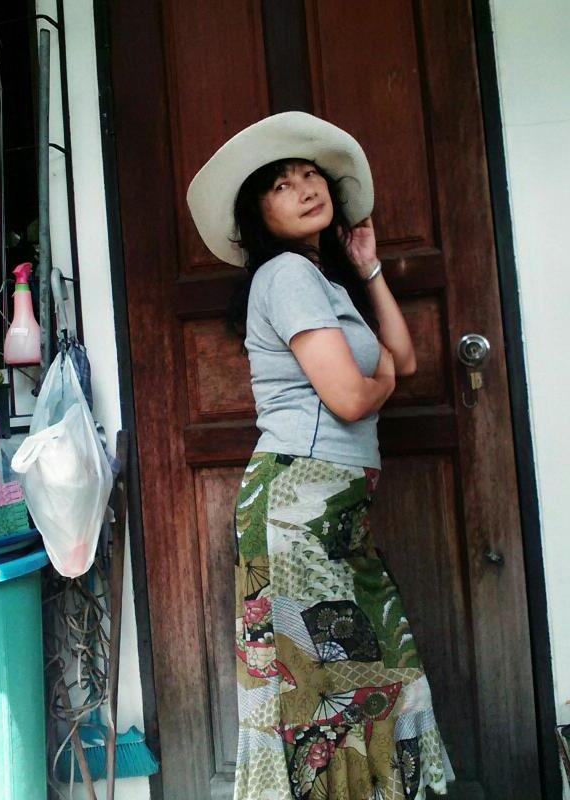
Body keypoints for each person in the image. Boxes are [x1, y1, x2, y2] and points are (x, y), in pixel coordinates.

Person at [187, 111, 455, 800]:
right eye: (282, 184)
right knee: (328, 689)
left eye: (312, 175)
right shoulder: (285, 274)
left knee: (361, 675)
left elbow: (403, 359)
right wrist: (381, 381)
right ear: (258, 214)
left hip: (328, 512)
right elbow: (350, 397)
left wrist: (368, 269)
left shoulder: (322, 279)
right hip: (298, 511)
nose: (306, 187)